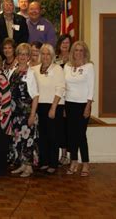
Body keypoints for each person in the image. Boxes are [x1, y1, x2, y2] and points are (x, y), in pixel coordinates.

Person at [64, 41, 94, 177]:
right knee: (71, 135)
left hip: (83, 105)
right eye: (76, 50)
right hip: (69, 104)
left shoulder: (89, 67)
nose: (78, 53)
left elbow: (91, 88)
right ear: (72, 52)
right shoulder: (67, 67)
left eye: (81, 50)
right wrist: (63, 105)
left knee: (81, 135)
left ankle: (86, 163)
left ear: (85, 52)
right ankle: (74, 161)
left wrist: (88, 105)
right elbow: (64, 87)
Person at [8, 43, 39, 177]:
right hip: (15, 114)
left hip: (27, 113)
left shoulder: (31, 73)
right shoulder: (12, 71)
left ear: (28, 57)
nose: (22, 56)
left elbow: (36, 96)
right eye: (20, 54)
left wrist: (32, 115)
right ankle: (22, 165)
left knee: (28, 140)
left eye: (25, 54)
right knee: (18, 140)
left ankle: (29, 167)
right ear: (17, 55)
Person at [33, 44, 65, 174]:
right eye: (43, 54)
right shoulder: (35, 69)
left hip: (54, 106)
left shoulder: (57, 69)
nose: (45, 56)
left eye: (48, 54)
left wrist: (53, 107)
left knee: (53, 136)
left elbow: (61, 88)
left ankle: (53, 163)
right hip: (40, 105)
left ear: (52, 56)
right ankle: (44, 162)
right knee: (43, 136)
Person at [54, 34, 72, 165]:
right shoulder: (55, 59)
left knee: (68, 128)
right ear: (59, 44)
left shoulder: (74, 59)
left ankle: (69, 155)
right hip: (57, 97)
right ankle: (62, 154)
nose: (65, 44)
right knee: (59, 127)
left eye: (67, 42)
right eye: (63, 42)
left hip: (71, 96)